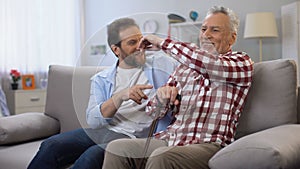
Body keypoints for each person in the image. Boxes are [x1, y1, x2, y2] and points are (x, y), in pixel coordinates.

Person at [102, 6, 254, 169]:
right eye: (203, 29)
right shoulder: (184, 68)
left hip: (207, 145)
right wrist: (161, 98)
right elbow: (153, 112)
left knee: (162, 157)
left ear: (232, 38)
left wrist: (161, 43)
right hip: (170, 140)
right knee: (117, 148)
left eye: (215, 30)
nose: (206, 35)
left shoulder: (240, 62)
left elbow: (208, 63)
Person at [27, 18, 177, 169]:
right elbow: (93, 120)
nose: (140, 47)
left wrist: (159, 43)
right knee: (51, 144)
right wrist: (120, 96)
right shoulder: (101, 79)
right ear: (116, 49)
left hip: (134, 137)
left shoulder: (161, 64)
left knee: (91, 156)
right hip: (105, 130)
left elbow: (192, 62)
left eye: (141, 40)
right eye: (132, 42)